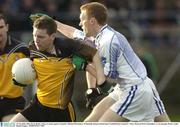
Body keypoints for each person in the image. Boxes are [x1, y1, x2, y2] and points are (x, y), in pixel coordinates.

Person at [37, 2, 171, 122]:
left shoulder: (108, 42)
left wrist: (85, 66)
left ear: (92, 21)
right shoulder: (98, 36)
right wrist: (54, 24)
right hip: (131, 86)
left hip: (134, 89)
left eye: (81, 20)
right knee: (90, 122)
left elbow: (107, 80)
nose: (79, 24)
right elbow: (73, 33)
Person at [10, 15, 106, 122]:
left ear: (52, 36)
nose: (36, 40)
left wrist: (92, 78)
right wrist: (21, 78)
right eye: (34, 35)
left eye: (41, 37)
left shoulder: (68, 47)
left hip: (61, 111)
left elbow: (94, 55)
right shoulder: (33, 49)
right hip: (38, 104)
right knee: (12, 124)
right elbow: (31, 70)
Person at [0, 14, 30, 121]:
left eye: (1, 27)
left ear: (7, 27)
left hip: (13, 103)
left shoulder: (21, 49)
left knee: (9, 125)